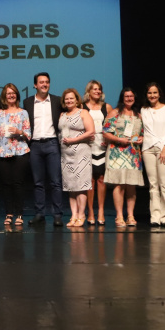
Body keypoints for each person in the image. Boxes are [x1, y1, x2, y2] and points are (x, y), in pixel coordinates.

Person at [23, 72, 64, 227]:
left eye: (47, 82)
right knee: (38, 182)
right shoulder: (27, 102)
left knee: (55, 182)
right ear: (35, 85)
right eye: (41, 82)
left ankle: (57, 215)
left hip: (52, 144)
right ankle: (39, 214)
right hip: (35, 145)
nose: (44, 84)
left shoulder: (57, 101)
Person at [103, 87, 144, 227]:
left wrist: (142, 139)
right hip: (117, 153)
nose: (129, 99)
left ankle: (130, 215)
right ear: (122, 98)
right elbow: (105, 132)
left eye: (131, 96)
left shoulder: (138, 115)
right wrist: (119, 139)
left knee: (131, 185)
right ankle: (119, 216)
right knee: (119, 184)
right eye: (126, 96)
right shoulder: (115, 113)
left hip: (133, 153)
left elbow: (142, 133)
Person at [140, 83, 165, 227]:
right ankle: (155, 216)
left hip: (164, 149)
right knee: (153, 184)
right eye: (150, 93)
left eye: (155, 92)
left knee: (164, 183)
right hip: (148, 149)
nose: (152, 95)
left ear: (159, 94)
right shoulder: (144, 110)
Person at [0, 83, 31, 227]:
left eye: (13, 93)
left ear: (17, 95)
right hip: (2, 152)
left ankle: (19, 214)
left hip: (20, 151)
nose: (11, 95)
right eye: (8, 93)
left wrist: (19, 132)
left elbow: (28, 135)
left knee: (18, 184)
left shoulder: (23, 113)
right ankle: (9, 213)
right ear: (4, 96)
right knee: (6, 184)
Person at [58, 88, 95, 227]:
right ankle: (73, 215)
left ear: (76, 100)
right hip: (66, 154)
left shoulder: (83, 112)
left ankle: (81, 215)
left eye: (71, 98)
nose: (69, 101)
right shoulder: (62, 115)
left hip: (81, 153)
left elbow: (91, 131)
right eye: (66, 99)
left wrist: (73, 140)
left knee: (80, 186)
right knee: (71, 187)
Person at [83, 80, 113, 226]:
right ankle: (90, 211)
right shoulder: (81, 107)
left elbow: (112, 126)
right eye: (94, 89)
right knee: (90, 180)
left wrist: (108, 139)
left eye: (99, 89)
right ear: (88, 91)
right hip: (87, 146)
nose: (97, 91)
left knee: (101, 178)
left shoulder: (107, 107)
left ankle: (101, 211)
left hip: (102, 146)